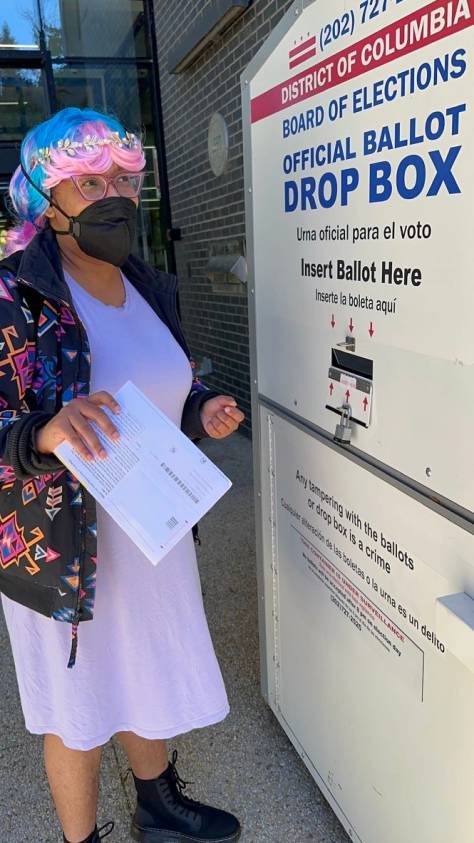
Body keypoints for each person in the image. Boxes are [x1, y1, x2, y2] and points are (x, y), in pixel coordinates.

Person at [0, 107, 245, 843]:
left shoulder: (146, 284)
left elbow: (158, 389)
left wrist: (202, 410)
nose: (112, 194)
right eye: (87, 181)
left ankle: (158, 801)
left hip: (149, 528)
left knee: (148, 671)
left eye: (121, 178)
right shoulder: (14, 297)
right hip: (63, 545)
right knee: (77, 706)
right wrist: (43, 430)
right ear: (47, 200)